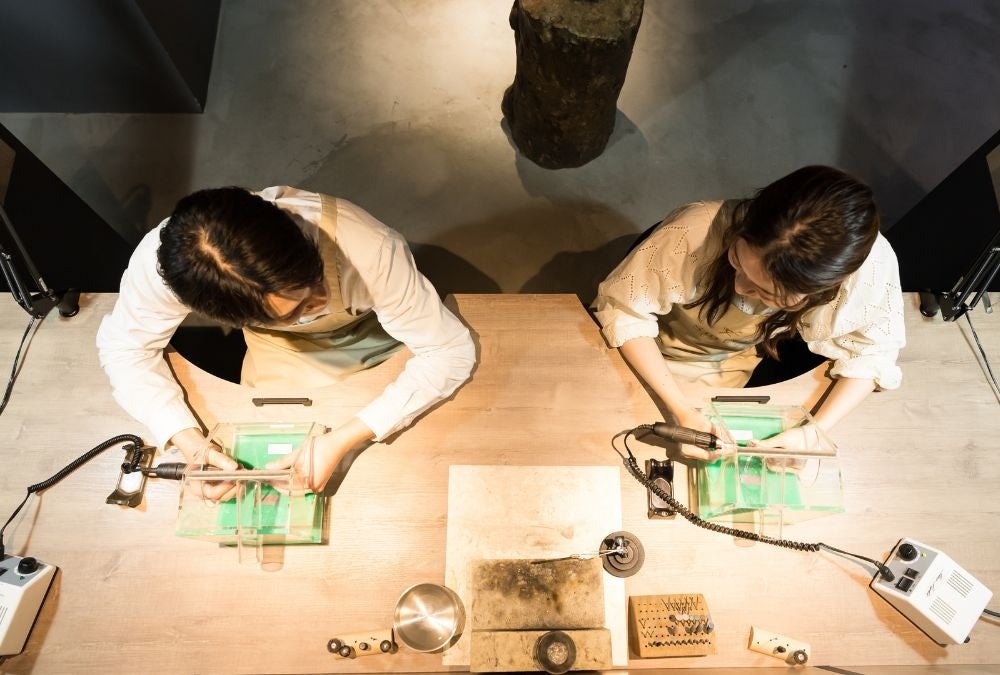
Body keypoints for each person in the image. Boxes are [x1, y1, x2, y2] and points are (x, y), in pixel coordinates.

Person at [97, 186, 476, 494]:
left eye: (315, 278)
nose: (321, 299)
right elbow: (126, 351)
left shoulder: (368, 248)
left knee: (418, 448)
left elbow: (447, 351)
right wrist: (191, 444)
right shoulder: (164, 271)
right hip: (282, 347)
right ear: (230, 318)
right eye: (297, 308)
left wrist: (342, 440)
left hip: (373, 329)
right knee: (270, 442)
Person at [592, 166, 905, 459]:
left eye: (766, 293)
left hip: (720, 365)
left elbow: (874, 353)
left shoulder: (867, 270)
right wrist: (680, 409)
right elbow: (625, 312)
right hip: (640, 343)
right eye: (736, 261)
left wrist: (814, 431)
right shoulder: (696, 231)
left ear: (821, 289)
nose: (740, 287)